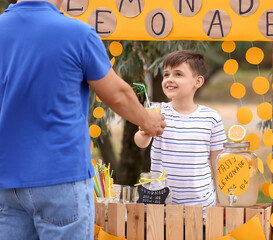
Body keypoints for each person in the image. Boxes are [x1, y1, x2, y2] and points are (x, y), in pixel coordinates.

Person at [0, 0, 166, 239]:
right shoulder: (77, 33)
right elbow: (117, 94)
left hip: (6, 179)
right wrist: (147, 120)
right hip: (60, 177)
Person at [134, 50, 227, 208]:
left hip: (201, 206)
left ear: (197, 82)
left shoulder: (211, 118)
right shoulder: (156, 112)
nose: (169, 79)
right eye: (166, 74)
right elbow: (140, 142)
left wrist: (222, 199)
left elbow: (218, 163)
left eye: (178, 74)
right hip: (160, 205)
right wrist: (144, 132)